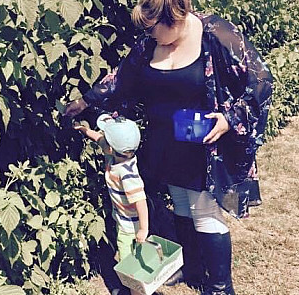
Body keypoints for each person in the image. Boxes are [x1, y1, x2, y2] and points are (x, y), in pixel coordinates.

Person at [65, 0, 273, 294]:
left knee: (204, 211)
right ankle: (192, 268)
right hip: (166, 142)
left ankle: (219, 287)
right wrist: (85, 101)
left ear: (173, 19)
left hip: (202, 144)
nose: (149, 36)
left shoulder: (215, 33)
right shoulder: (149, 44)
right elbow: (121, 78)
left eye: (153, 29)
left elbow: (261, 80)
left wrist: (230, 118)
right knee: (180, 203)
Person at [74, 113, 148, 295]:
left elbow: (141, 201)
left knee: (128, 263)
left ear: (110, 148)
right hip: (123, 220)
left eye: (106, 140)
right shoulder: (118, 155)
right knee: (131, 260)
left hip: (130, 227)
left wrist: (143, 229)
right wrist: (83, 129)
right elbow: (98, 138)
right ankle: (133, 288)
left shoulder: (128, 174)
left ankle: (135, 291)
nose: (103, 140)